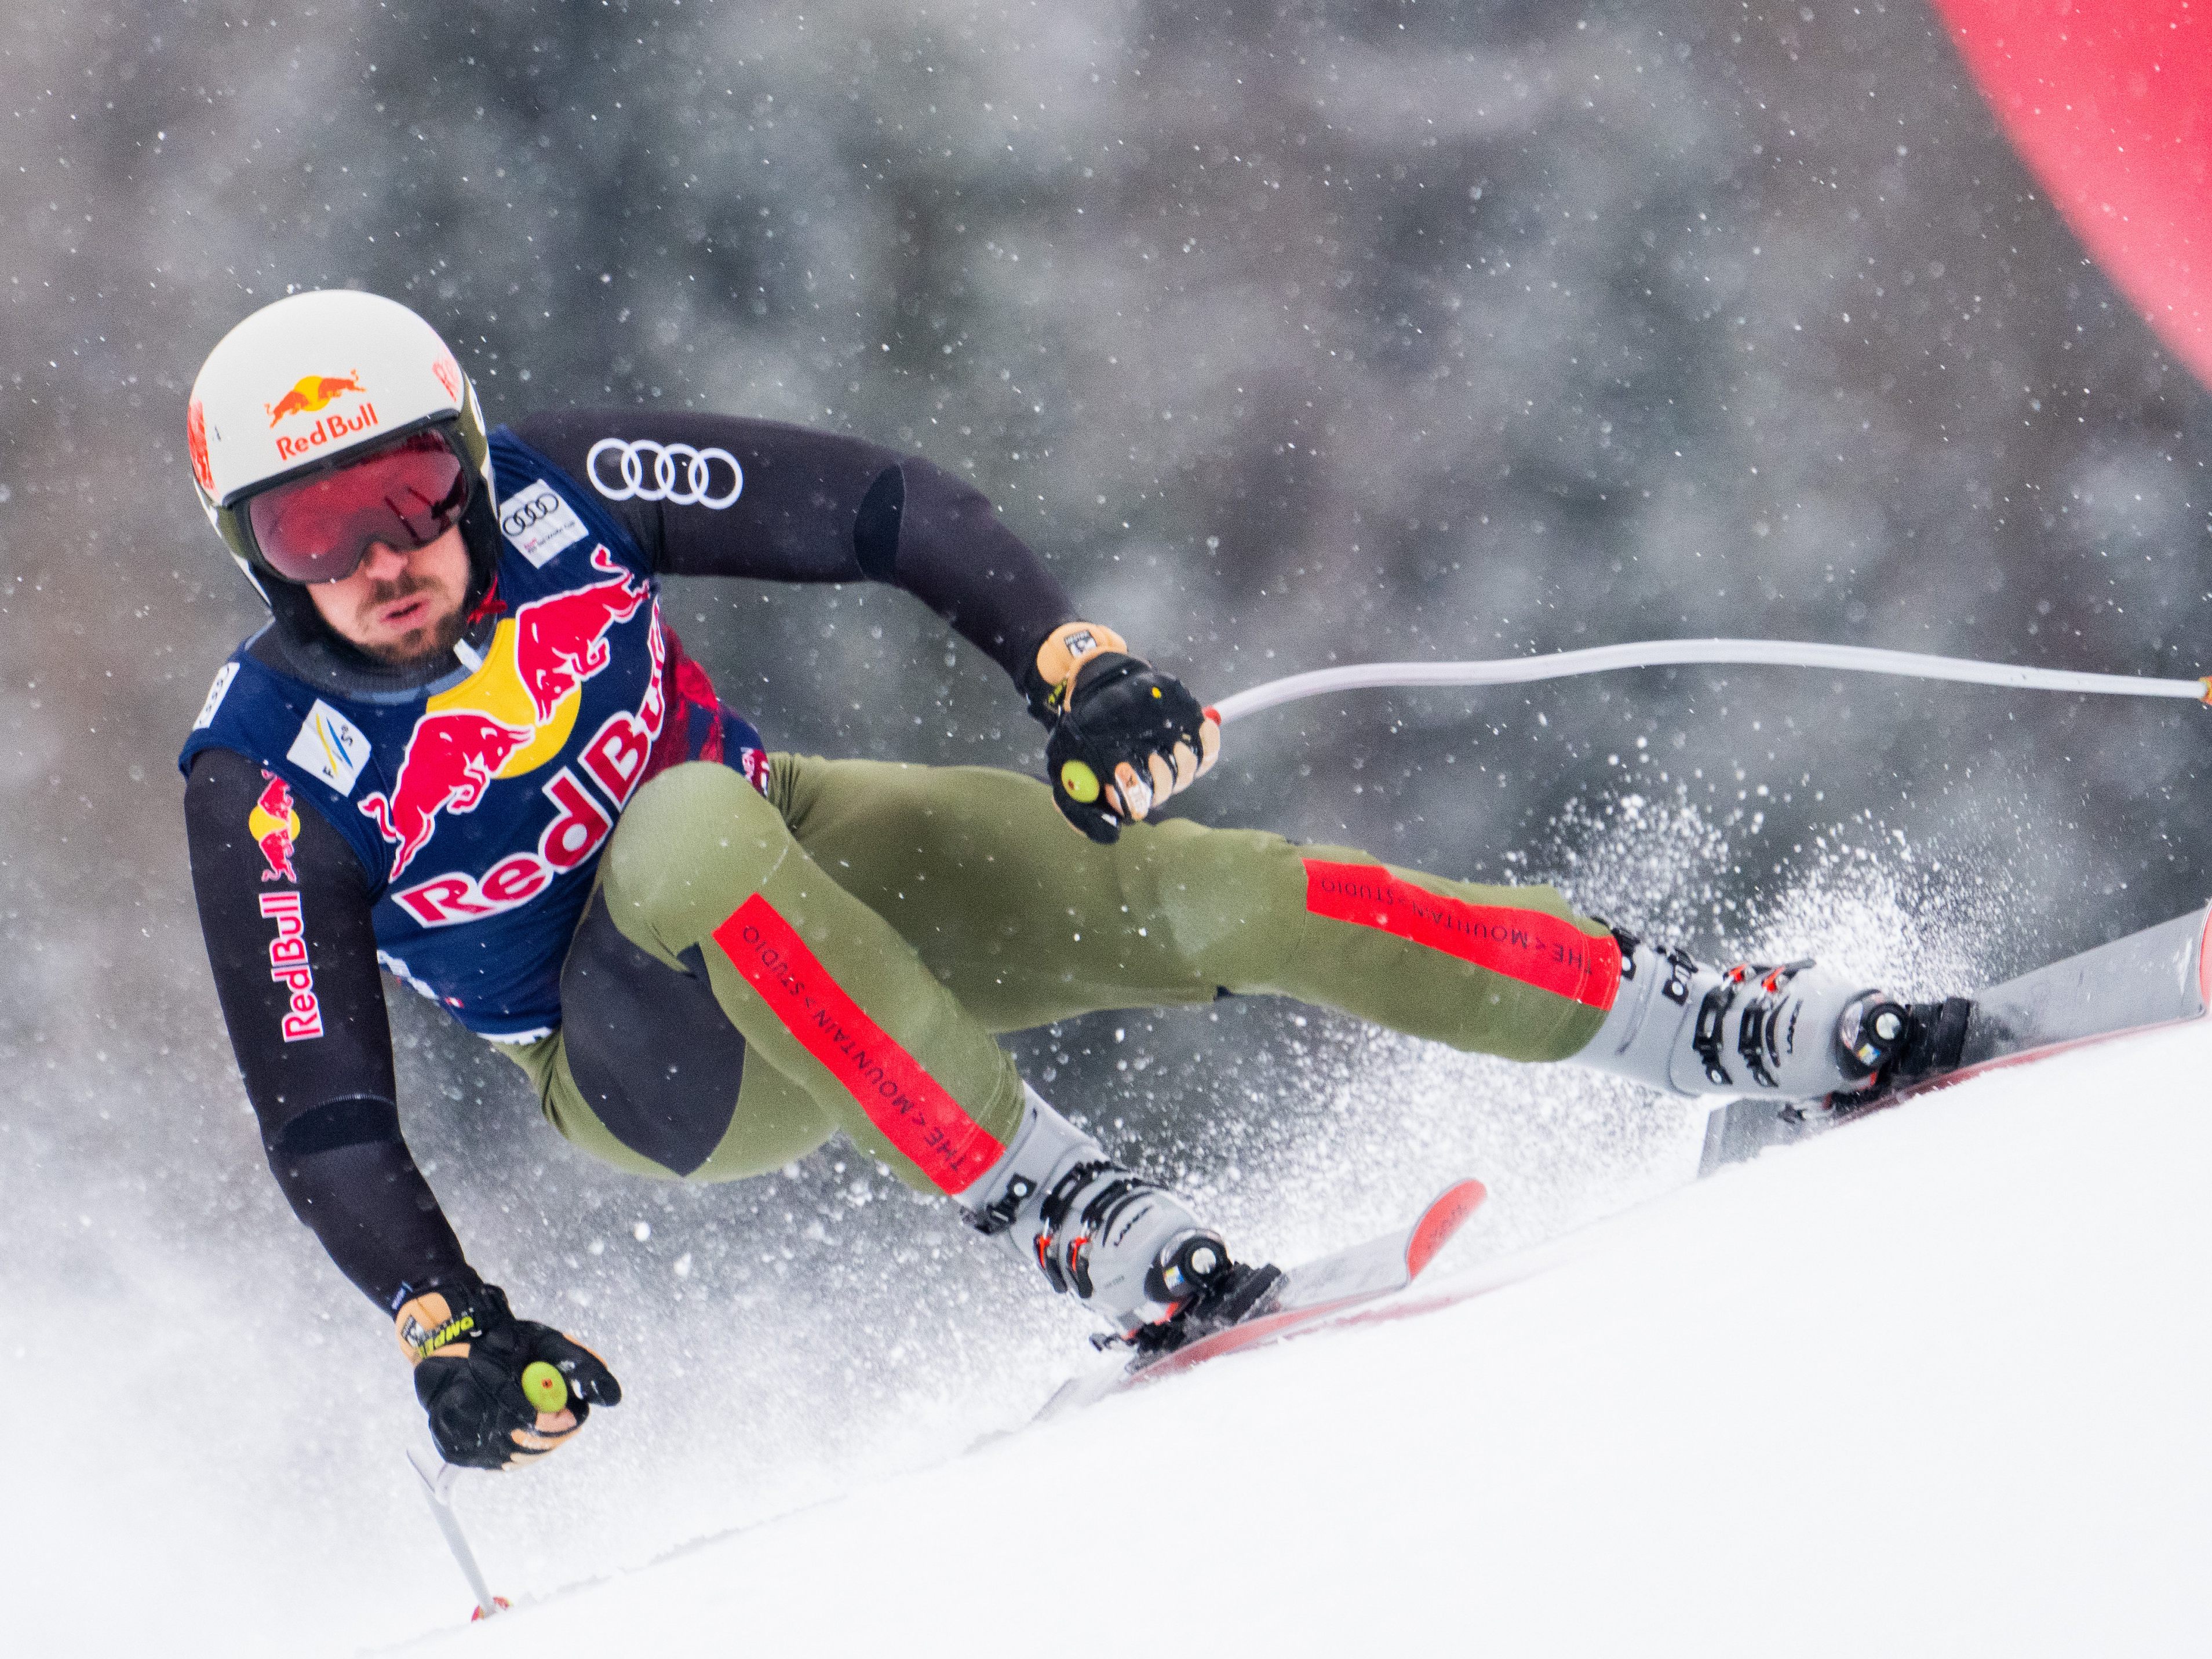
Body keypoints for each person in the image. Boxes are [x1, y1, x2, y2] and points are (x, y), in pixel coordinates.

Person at [180, 291, 1949, 1471]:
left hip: (782, 842)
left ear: (469, 462)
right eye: (310, 533)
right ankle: (1065, 1215)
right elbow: (324, 1114)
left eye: (408, 492)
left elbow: (878, 506)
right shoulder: (267, 768)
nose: (383, 559)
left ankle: (1698, 1021)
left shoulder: (569, 488)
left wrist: (1071, 669)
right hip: (640, 1060)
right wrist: (448, 1325)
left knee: (1212, 895)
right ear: (254, 557)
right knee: (688, 830)